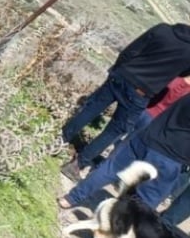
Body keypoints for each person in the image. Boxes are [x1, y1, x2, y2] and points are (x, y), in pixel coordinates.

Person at [61, 22, 190, 178]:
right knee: (115, 130)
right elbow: (182, 74)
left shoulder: (163, 29)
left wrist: (117, 69)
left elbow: (132, 49)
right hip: (140, 92)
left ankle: (61, 139)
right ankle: (78, 163)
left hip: (122, 75)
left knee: (90, 109)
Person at [61, 91, 190, 213]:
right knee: (146, 201)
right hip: (171, 156)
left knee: (110, 169)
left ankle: (70, 198)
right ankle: (116, 229)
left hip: (147, 137)